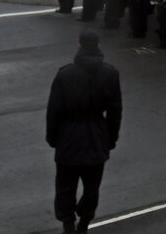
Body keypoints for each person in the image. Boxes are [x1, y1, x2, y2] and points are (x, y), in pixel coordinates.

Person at [47, 30, 123, 234]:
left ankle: (68, 224)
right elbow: (115, 111)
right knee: (92, 187)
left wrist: (53, 139)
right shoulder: (110, 73)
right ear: (98, 46)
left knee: (65, 186)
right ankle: (84, 222)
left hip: (69, 137)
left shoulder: (65, 74)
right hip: (97, 135)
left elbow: (54, 111)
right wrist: (111, 138)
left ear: (79, 45)